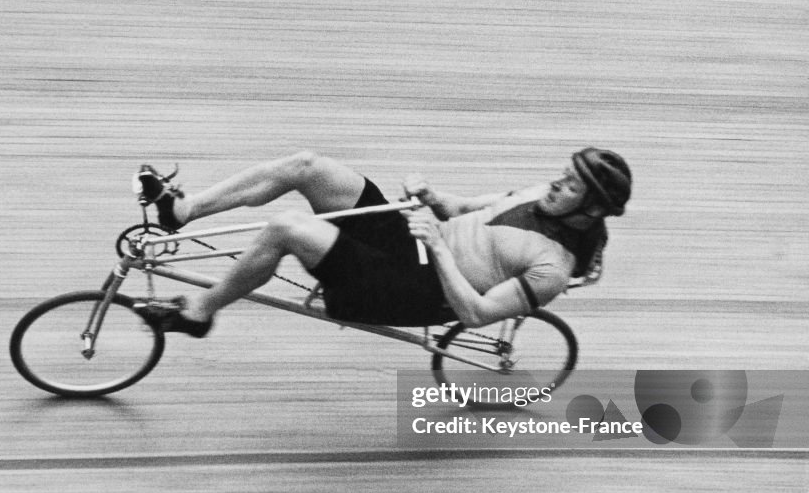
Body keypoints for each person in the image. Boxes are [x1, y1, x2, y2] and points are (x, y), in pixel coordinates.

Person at [134, 148, 631, 337]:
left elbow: (476, 314)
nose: (555, 184)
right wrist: (432, 195)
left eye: (570, 186)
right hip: (412, 241)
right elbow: (460, 211)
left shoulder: (553, 269)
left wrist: (438, 249)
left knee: (287, 228)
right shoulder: (538, 193)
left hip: (414, 288)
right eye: (562, 174)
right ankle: (183, 210)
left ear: (591, 210)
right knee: (308, 166)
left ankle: (202, 311)